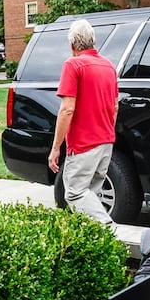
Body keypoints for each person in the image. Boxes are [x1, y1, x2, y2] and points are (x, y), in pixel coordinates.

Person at [47, 17, 119, 225]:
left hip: (84, 144)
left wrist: (56, 148)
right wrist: (107, 133)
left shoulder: (73, 64)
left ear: (72, 44)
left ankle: (109, 228)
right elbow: (115, 107)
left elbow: (67, 109)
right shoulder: (108, 66)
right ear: (93, 41)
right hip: (106, 143)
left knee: (75, 194)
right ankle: (96, 242)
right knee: (91, 196)